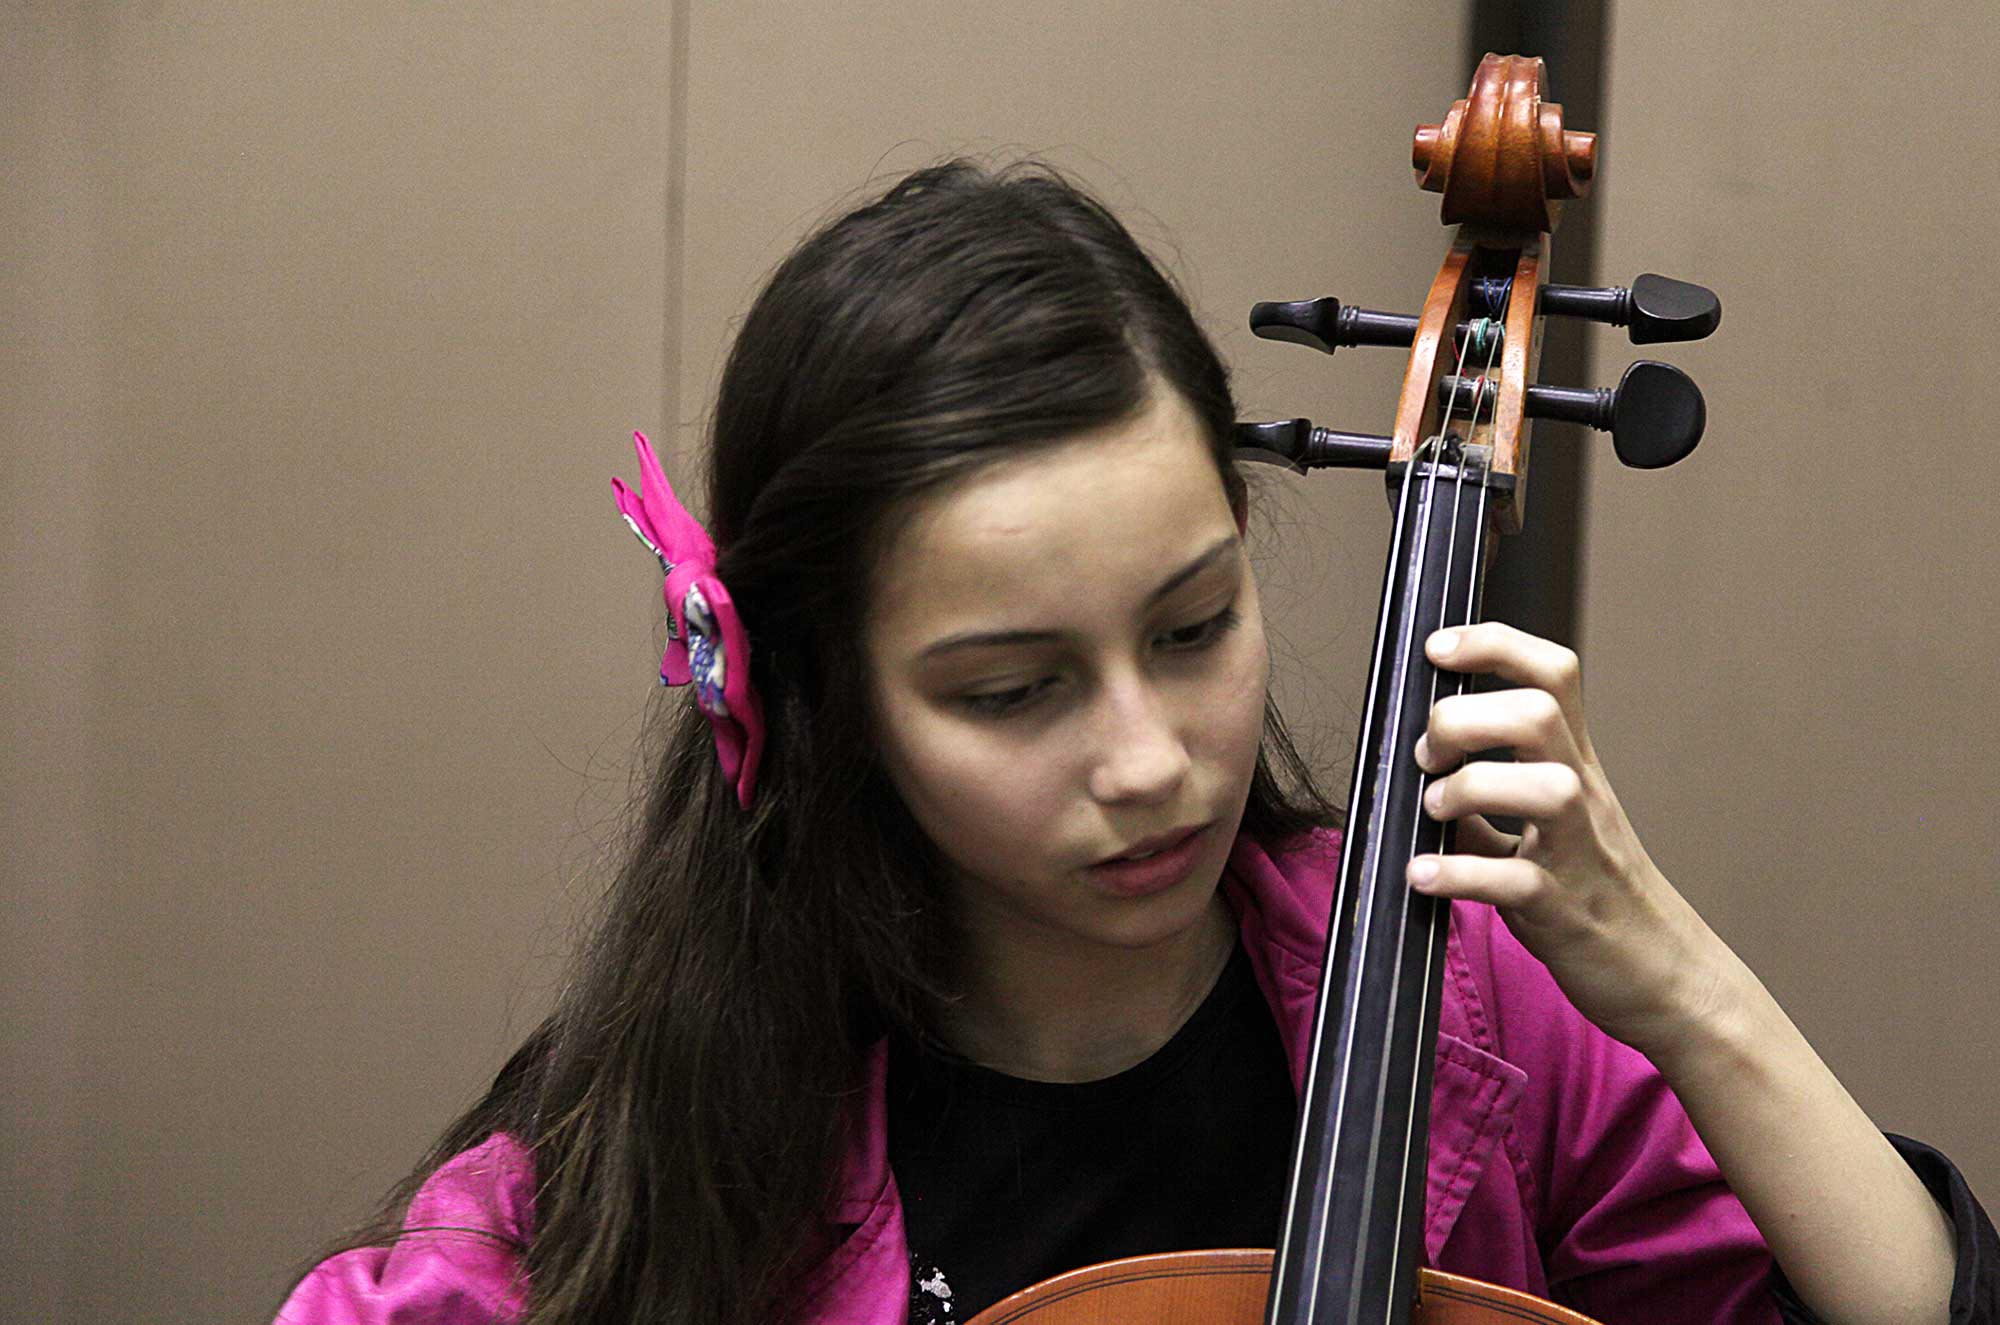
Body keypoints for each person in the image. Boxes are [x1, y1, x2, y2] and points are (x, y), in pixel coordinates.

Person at [273, 160, 1997, 1325]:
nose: (1152, 757)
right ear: (827, 702)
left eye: (1193, 629)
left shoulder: (1459, 1001)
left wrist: (1678, 980)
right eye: (1013, 689)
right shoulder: (683, 1139)